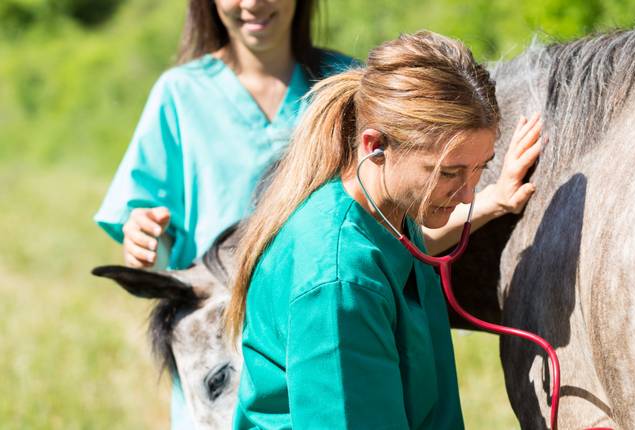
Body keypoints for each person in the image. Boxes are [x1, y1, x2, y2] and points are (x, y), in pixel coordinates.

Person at [225, 31, 544, 428]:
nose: (466, 193)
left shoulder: (383, 208)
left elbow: (406, 247)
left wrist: (495, 199)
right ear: (375, 145)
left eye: (480, 166)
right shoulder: (339, 284)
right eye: (449, 172)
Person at [93, 0, 354, 427]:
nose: (252, 3)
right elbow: (149, 233)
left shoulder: (345, 84)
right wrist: (143, 238)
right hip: (217, 357)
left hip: (323, 335)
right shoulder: (180, 94)